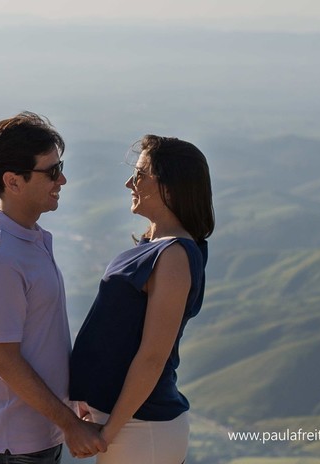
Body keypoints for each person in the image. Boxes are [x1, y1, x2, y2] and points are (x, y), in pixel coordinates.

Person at [0, 112, 107, 463]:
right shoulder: (1, 258)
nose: (63, 179)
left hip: (33, 436)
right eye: (52, 171)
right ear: (13, 181)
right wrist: (70, 424)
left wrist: (70, 400)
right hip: (13, 443)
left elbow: (40, 338)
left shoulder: (26, 240)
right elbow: (6, 361)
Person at [68, 134, 214, 464]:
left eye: (139, 174)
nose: (128, 183)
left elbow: (152, 357)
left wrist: (108, 434)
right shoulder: (157, 246)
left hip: (141, 429)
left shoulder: (174, 255)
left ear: (170, 186)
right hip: (130, 424)